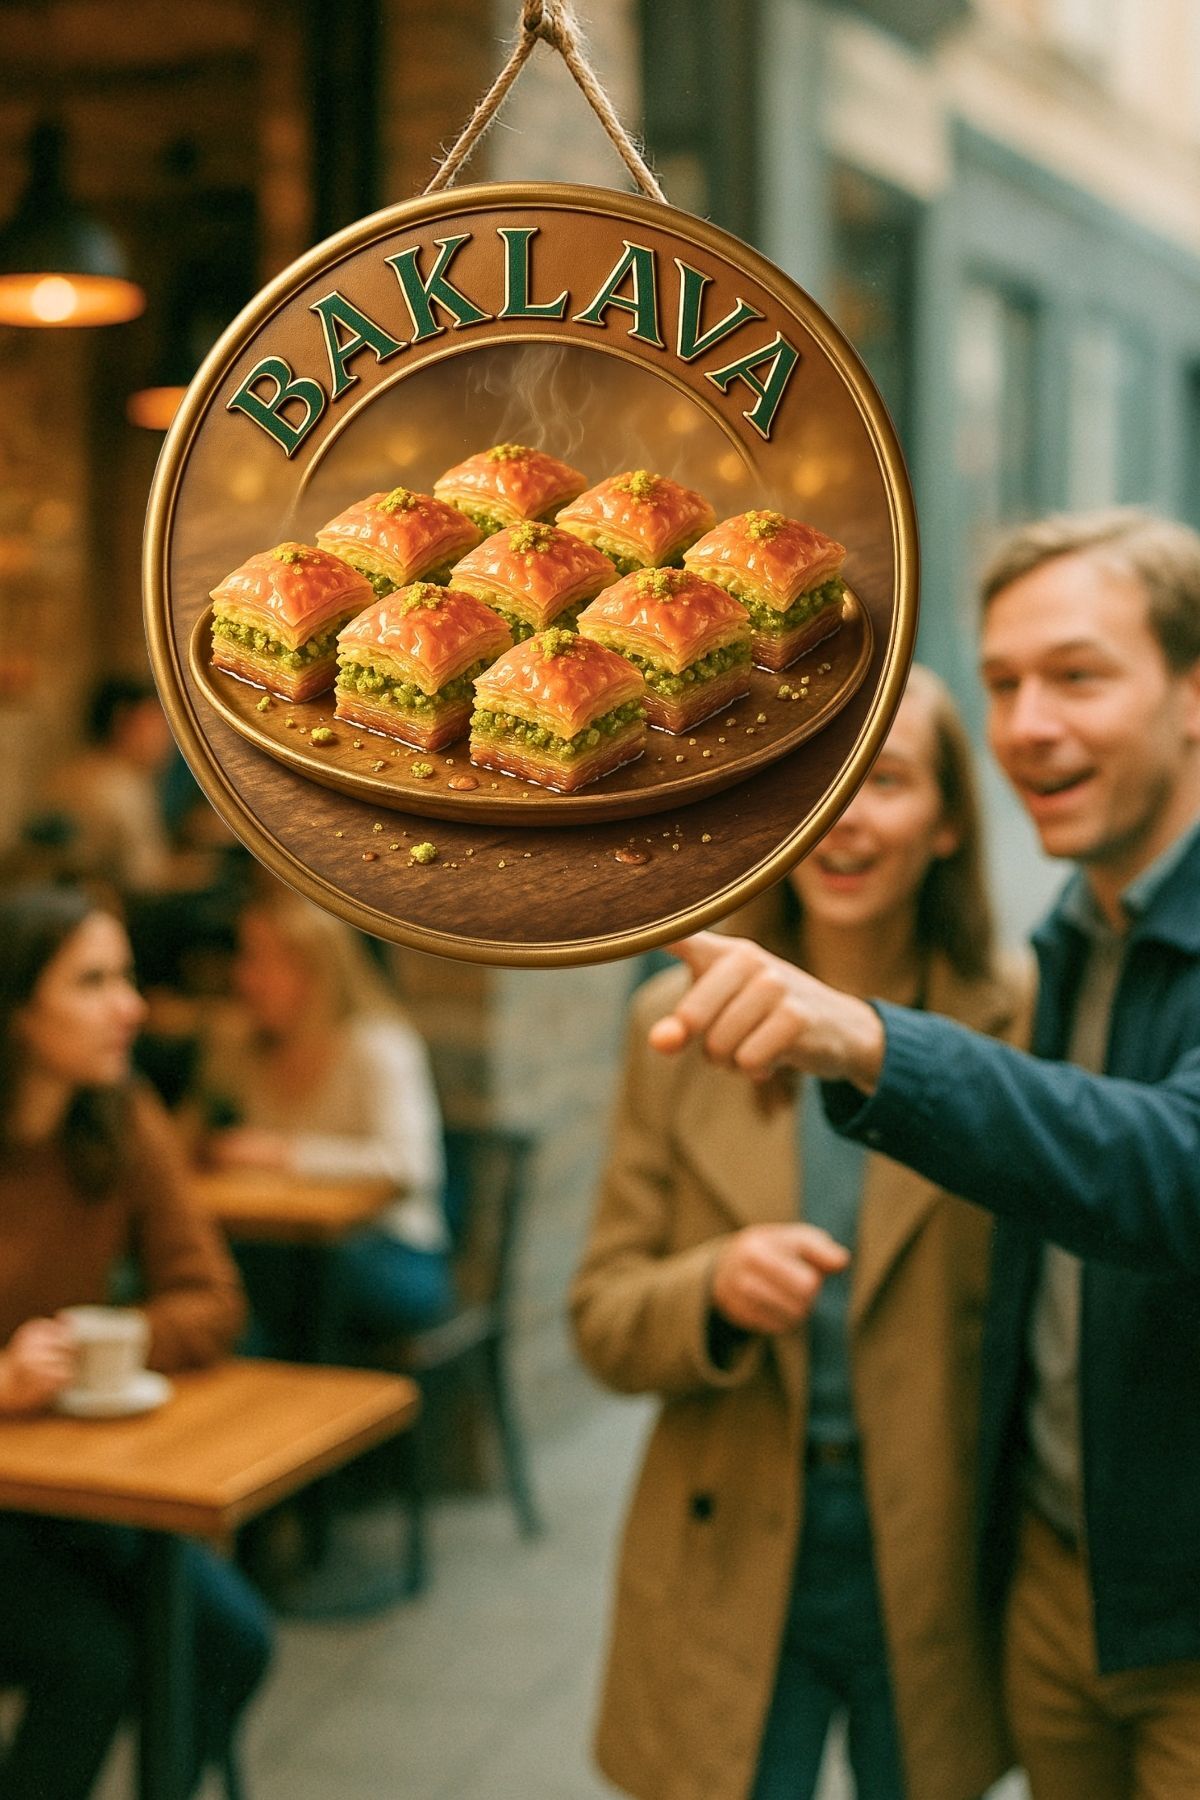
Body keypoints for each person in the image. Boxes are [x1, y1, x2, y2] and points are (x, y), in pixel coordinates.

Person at [650, 509, 1200, 1800]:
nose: (1029, 723)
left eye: (1079, 675)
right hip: (1060, 1586)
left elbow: (1173, 1172)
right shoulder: (1078, 939)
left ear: (1192, 697)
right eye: (1005, 682)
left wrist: (870, 1042)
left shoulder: (1013, 975)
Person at [571, 667, 1030, 1800]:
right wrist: (712, 1287)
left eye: (889, 779)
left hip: (936, 1551)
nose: (845, 816)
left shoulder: (1017, 1022)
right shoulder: (674, 1025)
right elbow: (601, 1318)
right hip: (730, 1538)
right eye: (816, 778)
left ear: (949, 823)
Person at [0, 883, 273, 1800]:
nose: (134, 1005)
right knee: (93, 1660)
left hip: (69, 1489)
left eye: (126, 976)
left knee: (231, 1640)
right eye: (94, 981)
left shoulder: (122, 1114)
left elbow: (210, 1299)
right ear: (17, 1009)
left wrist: (111, 1342)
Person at [197, 885, 451, 1356]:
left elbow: (410, 1166)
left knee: (297, 1279)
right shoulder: (247, 1049)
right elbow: (200, 1136)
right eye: (243, 958)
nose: (244, 978)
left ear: (313, 972)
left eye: (260, 960)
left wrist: (284, 1154)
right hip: (284, 1245)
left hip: (392, 1252)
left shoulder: (377, 1048)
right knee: (219, 1273)